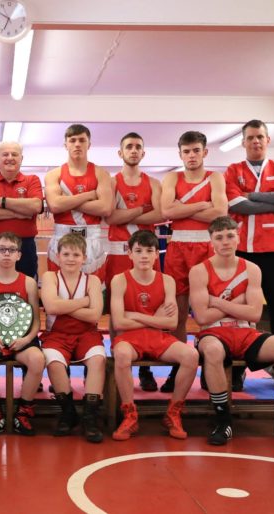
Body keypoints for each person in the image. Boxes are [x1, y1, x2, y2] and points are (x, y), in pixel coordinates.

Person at [189, 216, 274, 446]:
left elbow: (255, 314)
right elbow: (202, 317)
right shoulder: (199, 271)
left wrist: (216, 302)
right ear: (211, 242)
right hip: (213, 333)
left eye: (230, 236)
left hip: (246, 332)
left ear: (238, 238)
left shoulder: (252, 269)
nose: (225, 242)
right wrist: (240, 303)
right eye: (219, 237)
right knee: (214, 351)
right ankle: (223, 421)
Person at [225, 120, 274, 389]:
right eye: (250, 137)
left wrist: (253, 195)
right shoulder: (233, 170)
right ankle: (236, 371)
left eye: (260, 136)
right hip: (242, 251)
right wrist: (272, 203)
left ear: (268, 140)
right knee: (237, 315)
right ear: (243, 142)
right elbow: (235, 203)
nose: (255, 141)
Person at [109, 230, 197, 440]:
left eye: (149, 251)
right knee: (120, 355)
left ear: (157, 254)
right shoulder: (119, 280)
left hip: (158, 337)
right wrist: (153, 317)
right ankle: (130, 414)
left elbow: (171, 323)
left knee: (191, 356)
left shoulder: (167, 281)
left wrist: (135, 315)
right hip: (130, 338)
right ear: (129, 253)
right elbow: (119, 322)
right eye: (138, 251)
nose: (144, 256)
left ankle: (173, 412)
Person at [159, 130, 227, 391]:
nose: (191, 155)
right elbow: (166, 211)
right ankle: (178, 369)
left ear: (205, 152)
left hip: (206, 247)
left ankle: (211, 368)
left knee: (208, 312)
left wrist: (184, 208)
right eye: (186, 151)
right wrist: (202, 205)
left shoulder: (215, 177)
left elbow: (220, 211)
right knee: (177, 312)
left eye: (196, 150)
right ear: (180, 154)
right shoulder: (171, 177)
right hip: (177, 247)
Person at [104, 131, 164, 392]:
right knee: (119, 309)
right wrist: (142, 210)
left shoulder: (154, 183)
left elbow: (161, 213)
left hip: (147, 254)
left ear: (143, 152)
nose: (133, 150)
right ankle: (121, 362)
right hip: (118, 252)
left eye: (138, 146)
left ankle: (146, 368)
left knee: (150, 306)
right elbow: (109, 216)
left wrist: (124, 214)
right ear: (120, 152)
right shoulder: (110, 182)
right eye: (128, 146)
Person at [0, 232, 44, 436]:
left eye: (11, 250)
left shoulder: (29, 282)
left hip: (22, 339)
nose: (6, 254)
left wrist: (27, 339)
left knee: (38, 359)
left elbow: (36, 321)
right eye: (2, 250)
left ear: (19, 255)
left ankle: (23, 412)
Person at [40, 233, 106, 443]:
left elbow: (95, 315)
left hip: (87, 333)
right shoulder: (50, 277)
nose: (70, 258)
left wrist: (63, 307)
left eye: (75, 254)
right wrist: (85, 301)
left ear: (84, 258)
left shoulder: (93, 280)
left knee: (98, 359)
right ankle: (68, 412)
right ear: (57, 257)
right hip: (57, 335)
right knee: (53, 361)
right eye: (66, 254)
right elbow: (50, 307)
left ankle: (90, 416)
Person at [44, 124, 112, 283]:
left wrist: (66, 201)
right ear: (65, 144)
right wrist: (89, 195)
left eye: (82, 140)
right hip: (62, 239)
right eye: (72, 140)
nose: (77, 144)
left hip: (92, 240)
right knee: (59, 289)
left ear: (89, 144)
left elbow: (105, 208)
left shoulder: (101, 173)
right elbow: (54, 205)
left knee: (93, 291)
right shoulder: (54, 174)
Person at [0, 141, 43, 279]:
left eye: (14, 154)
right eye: (5, 154)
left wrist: (2, 202)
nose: (9, 157)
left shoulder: (32, 180)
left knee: (26, 291)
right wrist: (19, 212)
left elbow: (35, 206)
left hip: (25, 247)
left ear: (21, 158)